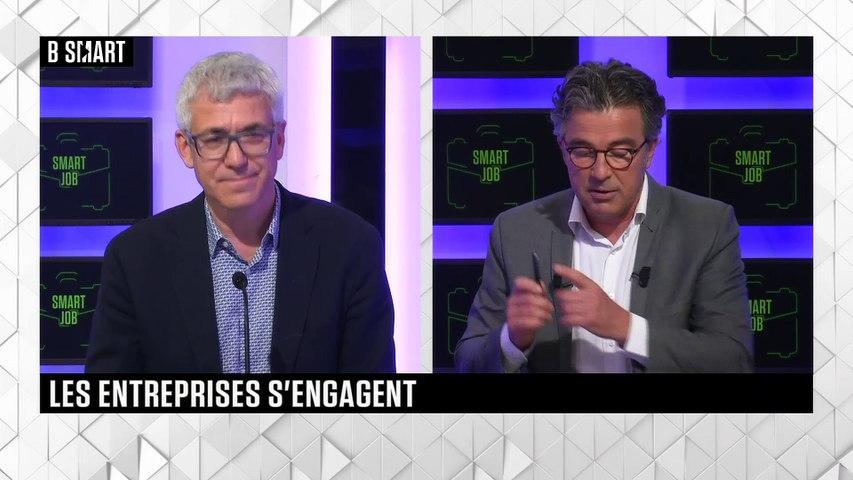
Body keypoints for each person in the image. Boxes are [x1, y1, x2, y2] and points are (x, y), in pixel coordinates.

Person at [86, 52, 395, 373]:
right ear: (186, 148)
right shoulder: (135, 258)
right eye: (214, 139)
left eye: (253, 136)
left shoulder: (350, 246)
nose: (236, 159)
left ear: (279, 140)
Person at [455, 59, 752, 373]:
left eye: (620, 153)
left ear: (650, 151)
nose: (600, 172)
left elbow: (733, 360)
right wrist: (512, 339)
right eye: (583, 151)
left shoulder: (707, 227)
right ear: (562, 148)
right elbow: (467, 362)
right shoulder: (516, 230)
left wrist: (626, 327)